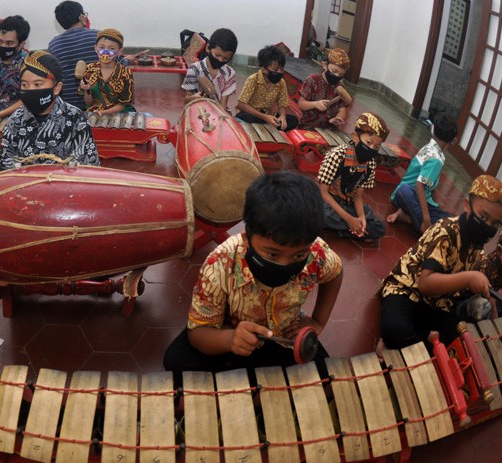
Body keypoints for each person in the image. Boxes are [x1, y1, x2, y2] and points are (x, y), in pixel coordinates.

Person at [163, 172, 343, 382]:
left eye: (299, 255)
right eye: (273, 254)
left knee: (323, 377)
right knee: (176, 359)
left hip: (284, 336)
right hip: (230, 332)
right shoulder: (220, 262)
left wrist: (318, 321)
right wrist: (231, 339)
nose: (285, 264)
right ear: (247, 238)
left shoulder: (316, 253)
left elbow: (336, 274)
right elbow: (198, 333)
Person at [380, 175, 502, 350]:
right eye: (484, 217)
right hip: (407, 289)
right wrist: (468, 278)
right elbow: (425, 284)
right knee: (396, 329)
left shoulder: (476, 242)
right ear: (466, 205)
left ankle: (409, 344)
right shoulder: (446, 231)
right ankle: (402, 343)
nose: (488, 226)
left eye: (495, 223)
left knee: (461, 339)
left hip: (437, 301)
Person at [0, 51, 99, 172]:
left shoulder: (75, 118)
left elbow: (88, 167)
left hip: (66, 188)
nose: (30, 90)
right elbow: (3, 166)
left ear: (57, 88)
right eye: (25, 85)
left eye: (37, 84)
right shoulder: (16, 119)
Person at [317, 112, 388, 240]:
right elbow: (323, 192)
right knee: (318, 213)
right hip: (328, 202)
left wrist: (361, 217)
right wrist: (349, 219)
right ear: (355, 137)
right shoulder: (337, 155)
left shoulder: (370, 164)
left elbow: (358, 195)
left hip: (347, 203)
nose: (372, 149)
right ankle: (351, 228)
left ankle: (349, 228)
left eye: (376, 146)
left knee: (379, 228)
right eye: (368, 143)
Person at [387, 112, 458, 234]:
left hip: (411, 199)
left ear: (432, 129)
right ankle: (422, 226)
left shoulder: (430, 147)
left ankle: (406, 216)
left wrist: (435, 204)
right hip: (406, 196)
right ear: (454, 140)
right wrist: (426, 220)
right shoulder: (436, 159)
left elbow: (430, 185)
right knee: (445, 226)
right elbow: (419, 185)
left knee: (449, 220)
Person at [235, 45, 298, 131]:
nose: (279, 73)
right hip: (251, 114)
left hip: (268, 116)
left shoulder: (281, 82)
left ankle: (268, 125)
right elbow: (241, 104)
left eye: (281, 69)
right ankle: (268, 126)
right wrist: (264, 117)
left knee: (293, 120)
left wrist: (282, 116)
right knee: (247, 117)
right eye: (275, 70)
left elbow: (282, 105)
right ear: (264, 69)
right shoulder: (253, 79)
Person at [48, 1, 98, 110]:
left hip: (67, 106)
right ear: (81, 17)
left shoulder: (53, 45)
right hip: (98, 105)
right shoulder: (98, 37)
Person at [78, 28, 135, 114]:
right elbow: (88, 103)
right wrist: (87, 90)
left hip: (120, 115)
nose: (105, 51)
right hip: (94, 113)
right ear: (95, 48)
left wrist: (103, 113)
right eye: (101, 47)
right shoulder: (89, 69)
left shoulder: (125, 73)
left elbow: (123, 104)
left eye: (111, 48)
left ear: (119, 51)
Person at [181, 28, 238, 110]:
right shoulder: (194, 69)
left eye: (225, 59)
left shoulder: (229, 73)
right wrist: (194, 98)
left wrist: (219, 118)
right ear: (208, 48)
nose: (220, 60)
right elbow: (186, 100)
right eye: (217, 55)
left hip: (218, 110)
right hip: (196, 109)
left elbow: (223, 105)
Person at [298, 48, 350, 129]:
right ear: (325, 65)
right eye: (334, 71)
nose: (337, 76)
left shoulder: (340, 86)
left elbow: (342, 109)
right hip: (310, 125)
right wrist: (315, 104)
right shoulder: (312, 80)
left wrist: (338, 118)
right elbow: (301, 104)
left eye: (341, 74)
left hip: (330, 128)